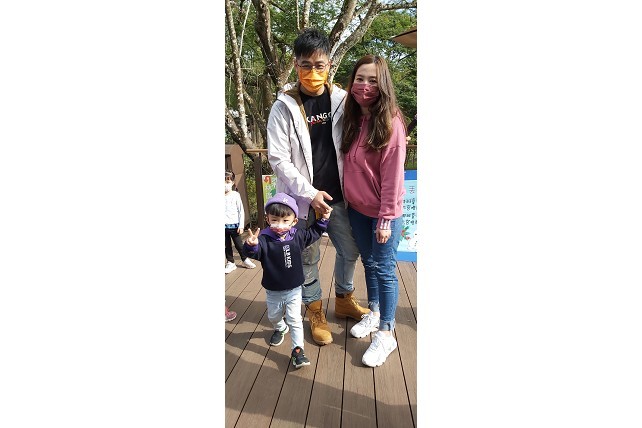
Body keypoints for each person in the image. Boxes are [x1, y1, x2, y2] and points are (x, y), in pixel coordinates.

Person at [266, 28, 368, 346]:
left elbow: (361, 136)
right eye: (306, 65)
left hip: (338, 195)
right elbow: (278, 158)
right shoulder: (283, 107)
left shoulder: (341, 100)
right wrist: (311, 194)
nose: (313, 72)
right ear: (296, 64)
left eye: (319, 65)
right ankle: (315, 311)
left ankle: (344, 299)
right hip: (302, 201)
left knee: (350, 250)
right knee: (308, 257)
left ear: (329, 65)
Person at [341, 55, 407, 367]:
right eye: (359, 79)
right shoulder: (352, 119)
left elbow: (393, 178)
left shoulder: (391, 122)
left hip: (384, 214)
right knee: (369, 264)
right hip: (357, 209)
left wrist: (386, 219)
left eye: (372, 80)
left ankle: (386, 333)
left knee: (384, 269)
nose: (364, 86)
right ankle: (375, 312)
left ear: (383, 86)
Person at [243, 192, 331, 369]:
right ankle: (281, 328)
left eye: (285, 220)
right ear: (267, 219)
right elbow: (254, 253)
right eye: (274, 220)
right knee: (273, 316)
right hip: (273, 289)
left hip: (294, 289)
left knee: (295, 319)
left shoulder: (297, 235)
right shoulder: (264, 239)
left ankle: (298, 351)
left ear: (294, 221)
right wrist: (251, 245)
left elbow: (313, 233)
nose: (280, 224)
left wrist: (324, 220)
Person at [225, 171, 256, 273]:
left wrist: (241, 225)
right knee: (226, 245)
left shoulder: (235, 195)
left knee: (239, 244)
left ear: (233, 182)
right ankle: (230, 262)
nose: (225, 184)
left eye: (227, 182)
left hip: (234, 225)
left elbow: (241, 210)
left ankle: (245, 259)